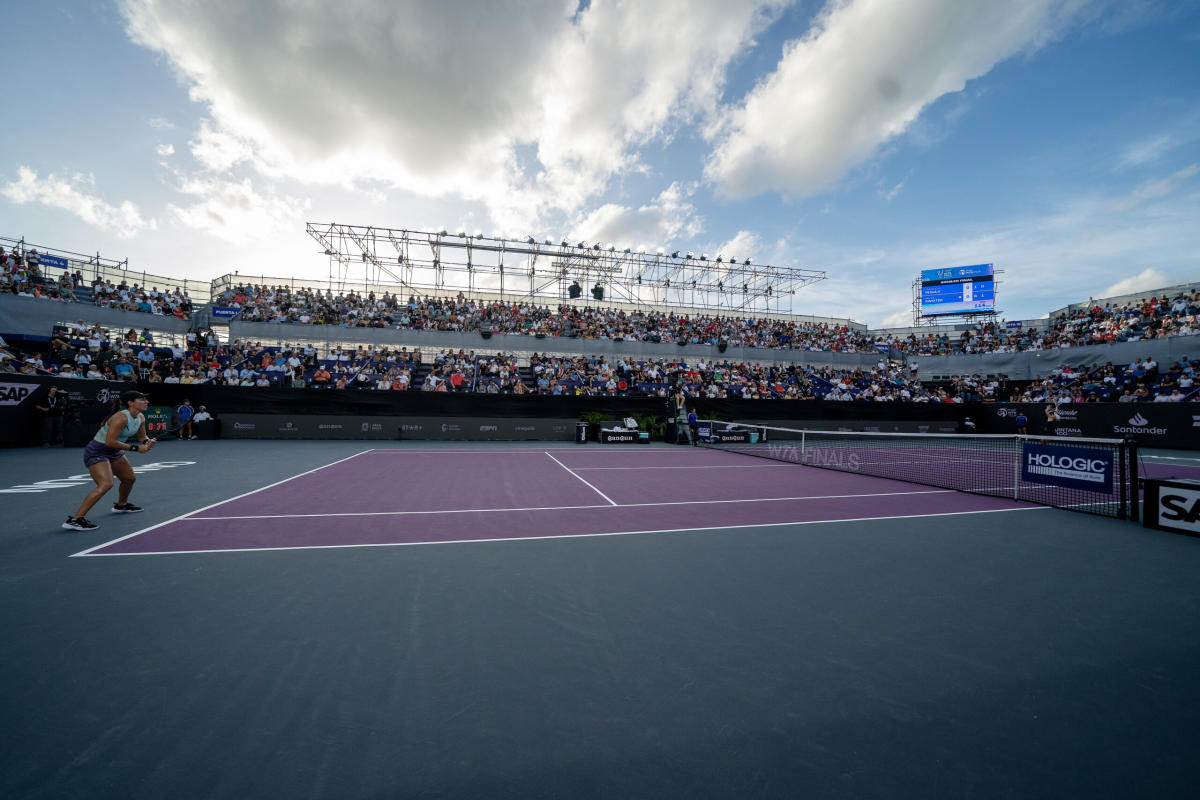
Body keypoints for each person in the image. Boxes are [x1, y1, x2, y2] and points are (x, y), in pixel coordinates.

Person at [63, 390, 157, 531]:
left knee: (129, 478)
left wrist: (147, 441)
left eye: (146, 399)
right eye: (142, 399)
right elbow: (110, 441)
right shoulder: (120, 418)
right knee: (106, 484)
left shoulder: (140, 417)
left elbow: (142, 436)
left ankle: (121, 505)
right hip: (97, 451)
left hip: (114, 451)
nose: (146, 402)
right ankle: (75, 520)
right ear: (130, 403)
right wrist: (137, 449)